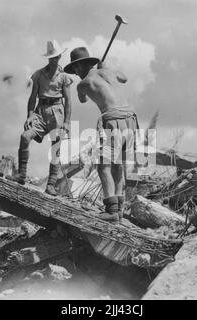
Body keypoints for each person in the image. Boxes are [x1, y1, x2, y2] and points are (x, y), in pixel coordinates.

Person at [64, 47, 138, 222]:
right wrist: (105, 68)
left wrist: (96, 71)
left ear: (80, 66)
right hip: (130, 119)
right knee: (117, 164)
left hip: (113, 120)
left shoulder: (82, 84)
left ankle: (111, 210)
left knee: (102, 166)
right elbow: (124, 78)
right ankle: (119, 209)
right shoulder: (108, 72)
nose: (75, 74)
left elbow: (83, 99)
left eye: (75, 70)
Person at [9, 40, 72, 196]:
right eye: (51, 57)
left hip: (57, 111)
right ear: (48, 58)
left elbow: (69, 101)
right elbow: (32, 97)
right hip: (40, 110)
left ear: (59, 57)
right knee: (25, 136)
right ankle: (21, 174)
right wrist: (30, 115)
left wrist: (67, 122)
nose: (54, 60)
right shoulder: (38, 74)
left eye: (57, 57)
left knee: (56, 147)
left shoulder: (64, 77)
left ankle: (50, 184)